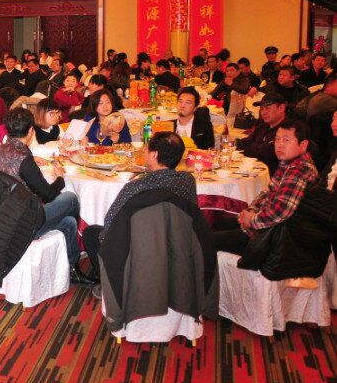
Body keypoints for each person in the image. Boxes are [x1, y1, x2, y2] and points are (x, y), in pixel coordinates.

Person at [0, 108, 94, 284]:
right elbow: (49, 195)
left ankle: (72, 269)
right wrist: (60, 177)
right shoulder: (24, 159)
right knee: (71, 198)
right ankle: (84, 242)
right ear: (30, 131)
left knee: (69, 223)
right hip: (22, 225)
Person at [81, 132, 197, 279]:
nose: (144, 152)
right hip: (178, 244)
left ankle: (110, 281)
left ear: (154, 155)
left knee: (91, 233)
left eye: (146, 149)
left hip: (139, 251)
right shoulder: (188, 181)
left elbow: (110, 223)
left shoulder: (136, 186)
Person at [213, 119, 319, 254]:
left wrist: (251, 220)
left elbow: (280, 211)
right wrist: (251, 210)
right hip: (267, 226)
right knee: (217, 222)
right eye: (277, 139)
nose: (280, 145)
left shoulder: (300, 170)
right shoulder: (288, 163)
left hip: (275, 238)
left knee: (208, 238)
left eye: (286, 140)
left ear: (303, 145)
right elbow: (268, 193)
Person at [238, 92, 289, 175]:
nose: (263, 112)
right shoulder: (262, 127)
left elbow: (266, 152)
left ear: (281, 108)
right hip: (255, 172)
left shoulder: (288, 129)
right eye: (262, 109)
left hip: (276, 175)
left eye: (267, 108)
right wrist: (233, 143)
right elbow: (246, 142)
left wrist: (249, 147)